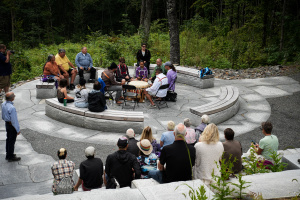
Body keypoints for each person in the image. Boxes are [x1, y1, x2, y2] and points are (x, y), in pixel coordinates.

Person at [2, 92, 21, 161]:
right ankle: (10, 156)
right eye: (14, 96)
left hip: (7, 124)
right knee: (12, 141)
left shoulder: (3, 104)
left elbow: (3, 116)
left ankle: (8, 154)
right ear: (12, 98)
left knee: (8, 139)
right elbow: (14, 120)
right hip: (12, 126)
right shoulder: (12, 108)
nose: (14, 96)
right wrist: (17, 130)